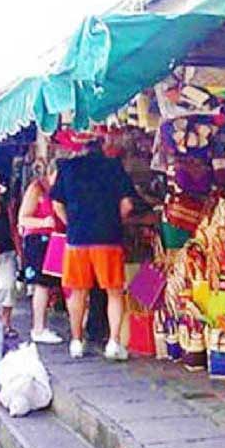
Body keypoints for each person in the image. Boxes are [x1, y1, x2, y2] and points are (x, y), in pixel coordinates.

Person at [50, 141, 136, 360]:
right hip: (108, 238)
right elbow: (127, 205)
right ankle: (114, 343)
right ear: (103, 148)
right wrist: (114, 222)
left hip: (77, 239)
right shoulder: (114, 167)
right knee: (114, 292)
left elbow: (57, 204)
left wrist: (72, 225)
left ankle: (77, 341)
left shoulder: (66, 167)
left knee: (78, 292)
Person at [17, 159, 65, 344]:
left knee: (54, 283)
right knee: (42, 284)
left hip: (58, 239)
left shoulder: (59, 189)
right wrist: (43, 222)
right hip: (39, 240)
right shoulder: (36, 188)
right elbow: (23, 218)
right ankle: (38, 328)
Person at [0, 172, 18, 338]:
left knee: (8, 287)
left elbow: (13, 227)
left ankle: (5, 324)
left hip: (5, 253)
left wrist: (20, 251)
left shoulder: (4, 206)